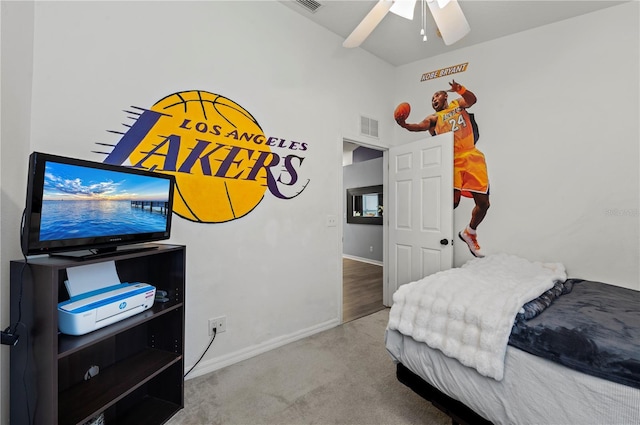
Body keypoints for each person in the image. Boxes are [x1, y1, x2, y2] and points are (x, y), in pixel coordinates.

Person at [395, 80, 489, 258]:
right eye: (431, 99)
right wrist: (405, 125)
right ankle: (424, 223)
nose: (433, 100)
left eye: (436, 96)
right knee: (453, 201)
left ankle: (470, 232)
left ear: (445, 96)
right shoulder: (433, 118)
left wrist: (460, 89)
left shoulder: (457, 104)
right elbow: (420, 126)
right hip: (452, 160)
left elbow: (472, 99)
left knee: (484, 204)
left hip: (473, 156)